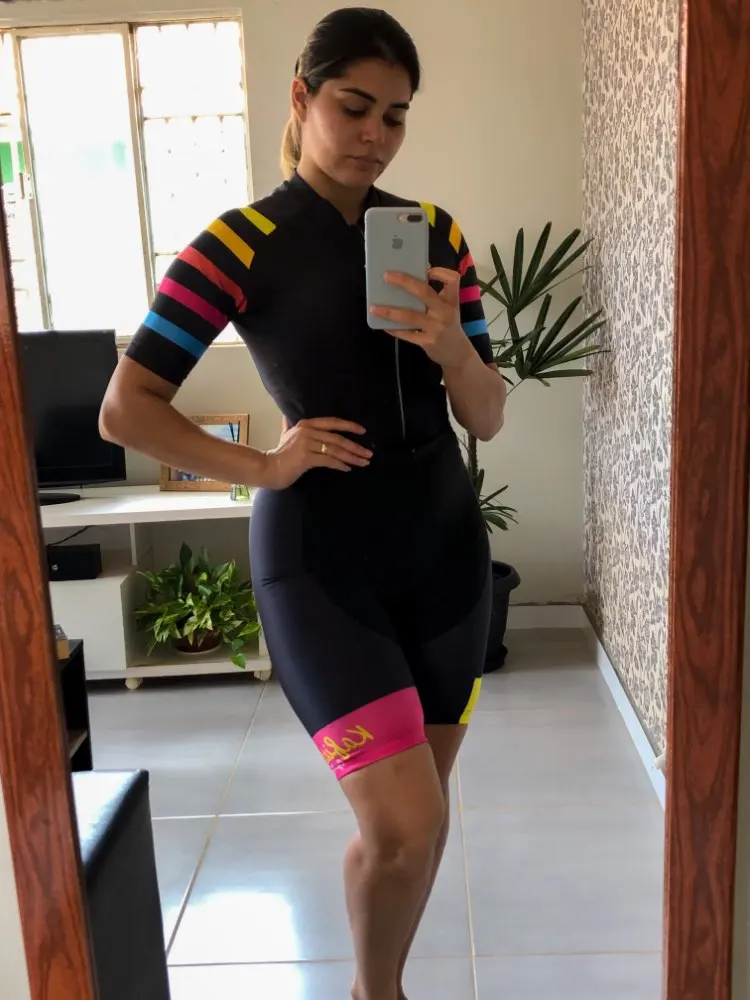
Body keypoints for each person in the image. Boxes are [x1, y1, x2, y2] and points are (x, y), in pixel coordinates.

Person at [100, 8, 506, 999]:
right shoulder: (238, 244)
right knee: (406, 823)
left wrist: (448, 345)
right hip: (322, 562)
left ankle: (377, 986)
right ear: (302, 97)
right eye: (354, 107)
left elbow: (487, 415)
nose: (375, 133)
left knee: (418, 824)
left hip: (446, 553)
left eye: (395, 116)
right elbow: (126, 408)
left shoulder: (438, 234)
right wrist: (264, 466)